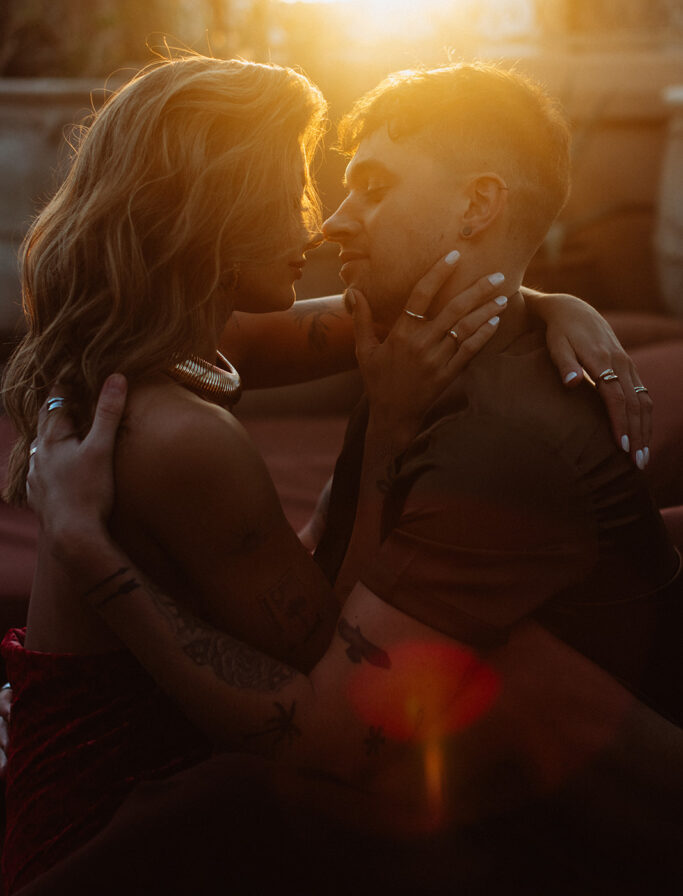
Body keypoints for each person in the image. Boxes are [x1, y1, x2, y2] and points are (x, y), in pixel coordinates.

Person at [17, 63, 682, 893]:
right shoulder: (180, 435)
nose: (323, 220)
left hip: (112, 735)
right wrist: (390, 432)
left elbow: (438, 300)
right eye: (291, 184)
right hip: (104, 802)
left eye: (346, 187)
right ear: (215, 207)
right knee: (512, 688)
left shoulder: (183, 336)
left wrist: (549, 301)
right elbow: (328, 673)